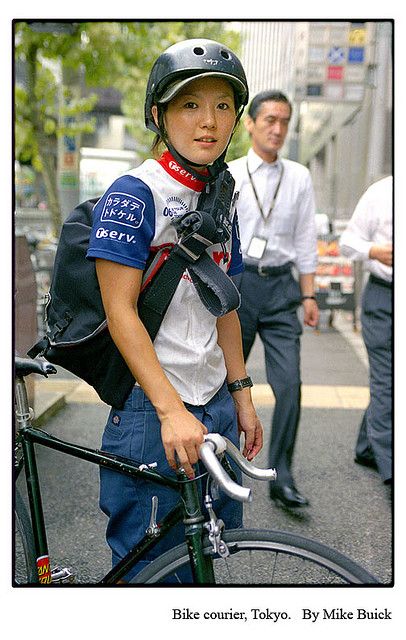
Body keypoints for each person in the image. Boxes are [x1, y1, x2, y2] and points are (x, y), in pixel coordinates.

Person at [85, 39, 263, 581]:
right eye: (190, 105)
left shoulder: (221, 195)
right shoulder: (135, 193)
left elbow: (225, 303)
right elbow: (121, 313)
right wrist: (169, 411)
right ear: (159, 115)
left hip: (214, 403)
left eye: (223, 106)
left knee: (210, 556)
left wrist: (242, 395)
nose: (209, 121)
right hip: (152, 408)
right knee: (154, 574)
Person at [228, 90, 319, 508]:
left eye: (285, 121)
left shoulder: (299, 176)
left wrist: (310, 293)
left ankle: (282, 477)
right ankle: (223, 471)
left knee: (291, 385)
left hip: (283, 289)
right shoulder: (228, 175)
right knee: (227, 383)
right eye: (270, 120)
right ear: (250, 123)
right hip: (240, 287)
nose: (278, 129)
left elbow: (305, 238)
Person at [339, 176, 393, 487]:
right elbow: (348, 243)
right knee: (386, 382)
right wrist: (374, 250)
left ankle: (366, 446)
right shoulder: (381, 192)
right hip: (384, 297)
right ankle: (391, 471)